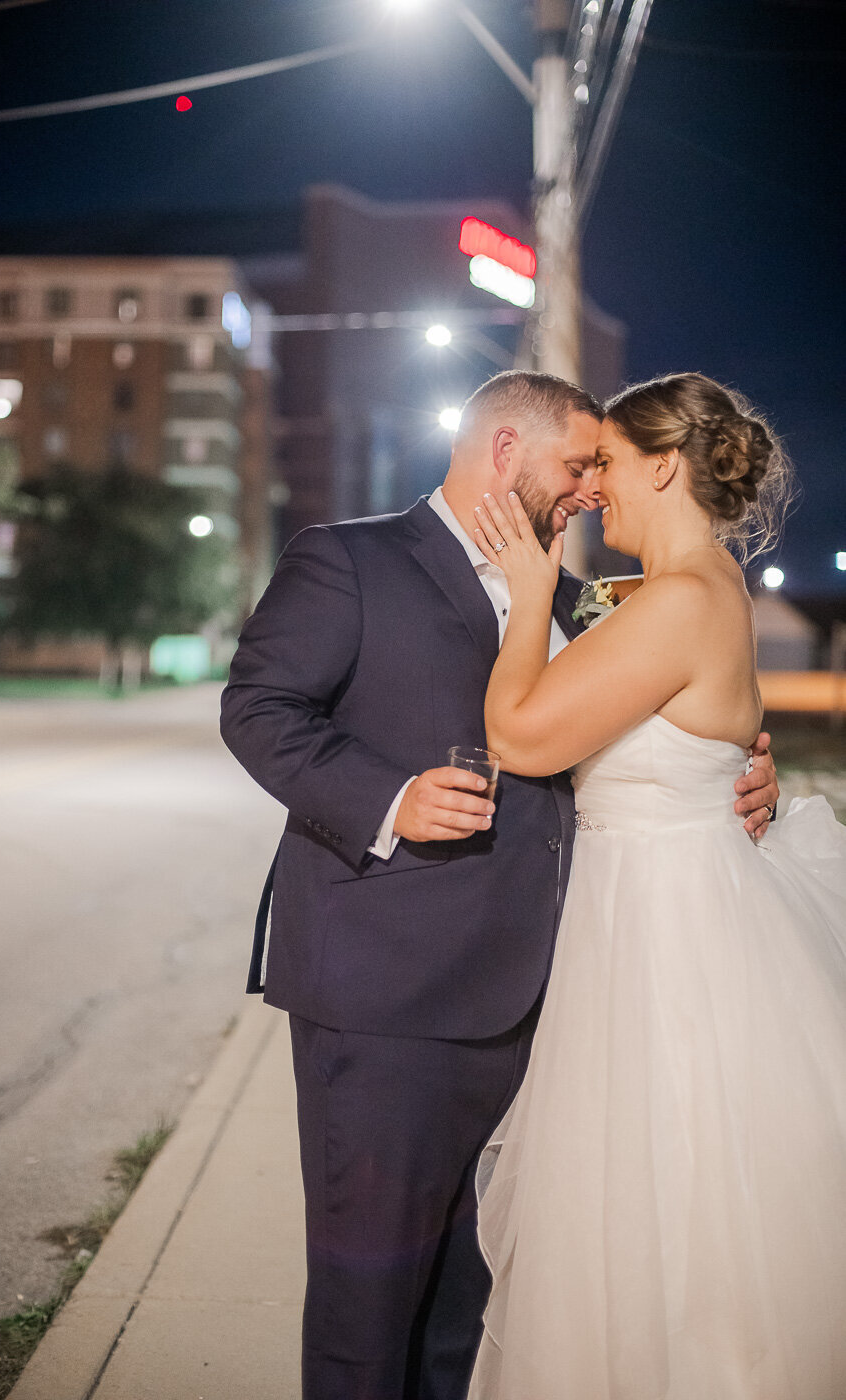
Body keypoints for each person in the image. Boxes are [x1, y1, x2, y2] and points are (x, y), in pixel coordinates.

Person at [219, 371, 780, 1400]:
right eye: (577, 465)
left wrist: (739, 762)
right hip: (387, 997)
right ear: (507, 452)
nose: (587, 491)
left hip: (549, 1008)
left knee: (476, 1316)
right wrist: (389, 798)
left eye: (602, 468)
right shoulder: (350, 558)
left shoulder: (573, 598)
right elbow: (258, 709)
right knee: (368, 1301)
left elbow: (655, 716)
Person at [467, 372, 846, 1400]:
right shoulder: (695, 588)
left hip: (661, 940)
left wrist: (531, 594)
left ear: (665, 464)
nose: (596, 488)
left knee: (661, 1216)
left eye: (611, 465)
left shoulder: (680, 597)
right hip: (669, 908)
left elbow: (519, 735)